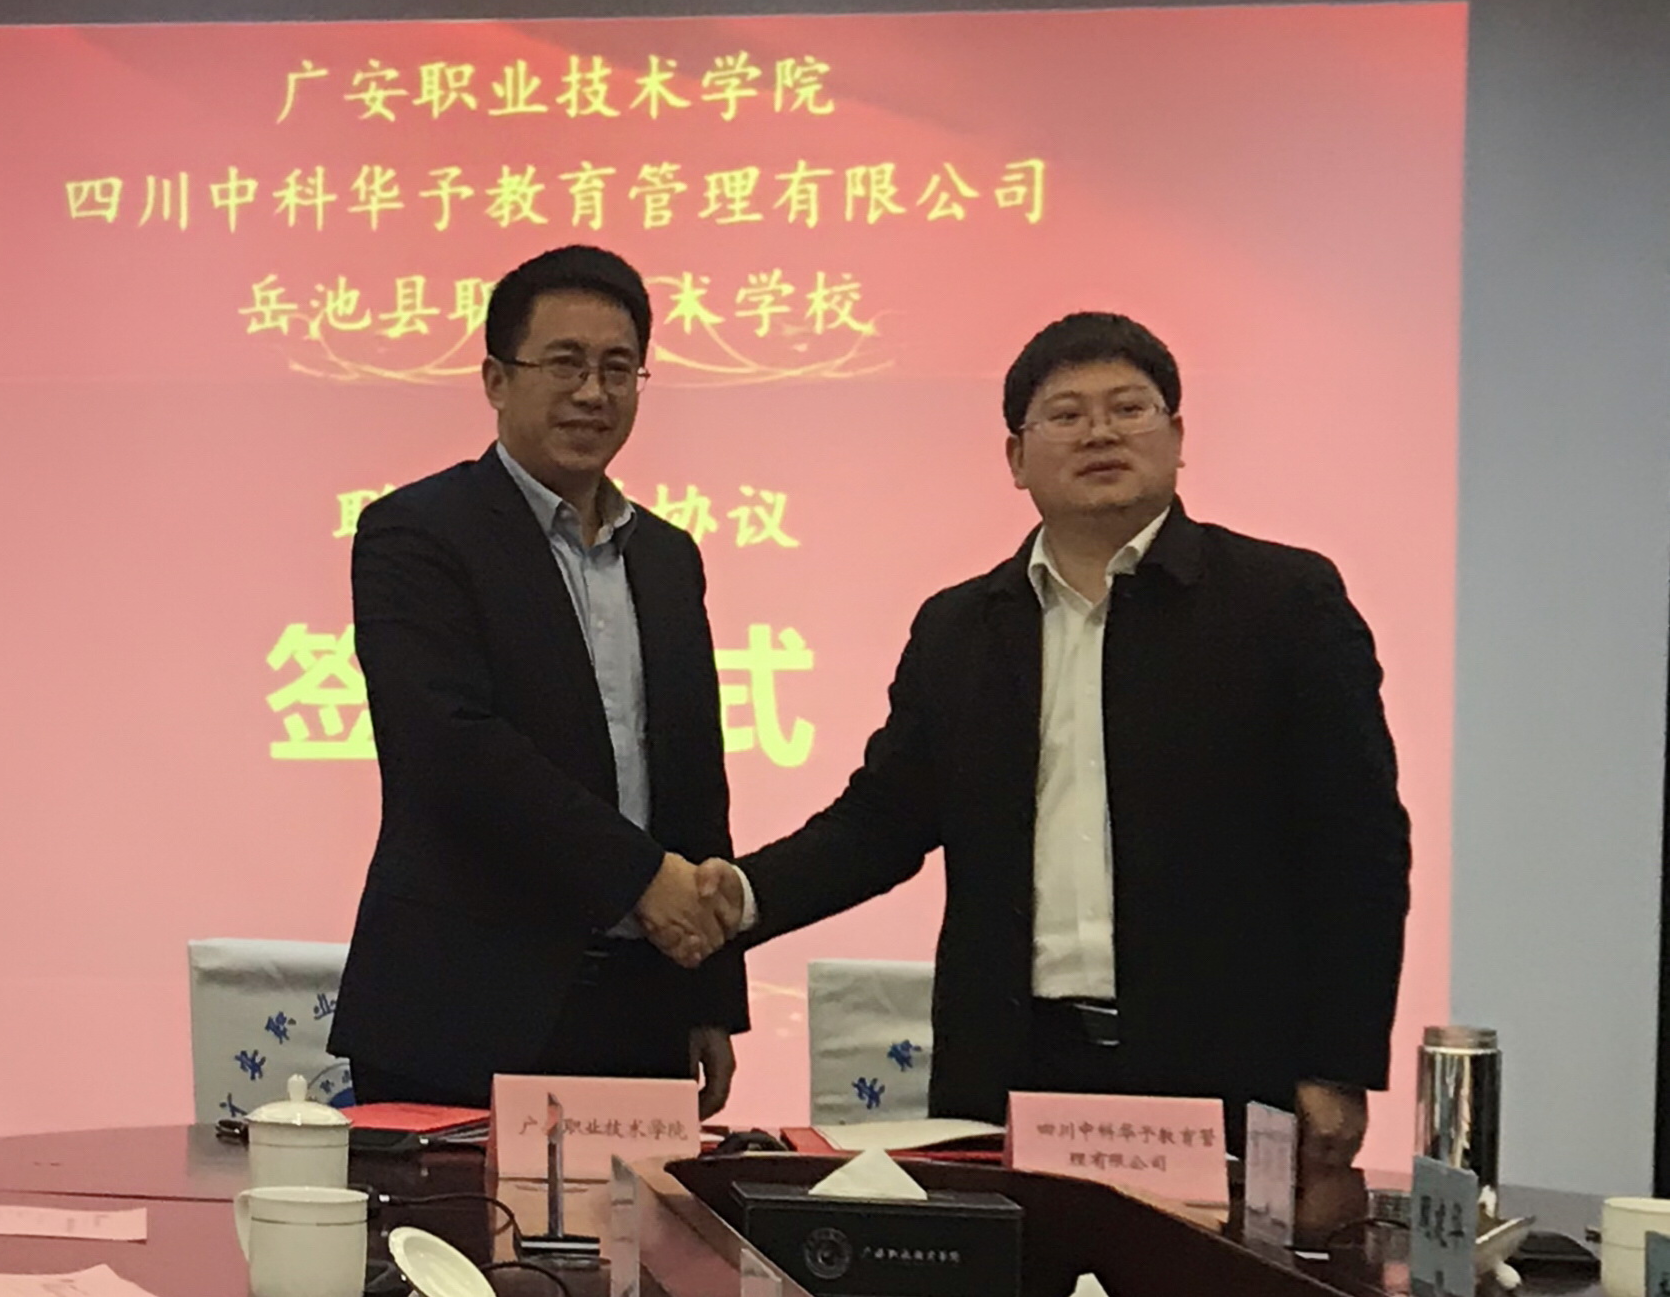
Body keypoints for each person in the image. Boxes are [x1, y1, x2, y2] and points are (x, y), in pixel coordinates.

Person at [697, 311, 1410, 1165]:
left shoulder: (1282, 602)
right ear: (1015, 457)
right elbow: (881, 822)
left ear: (1177, 437)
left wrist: (1337, 1062)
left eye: (1128, 409)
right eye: (1066, 415)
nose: (1099, 433)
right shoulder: (960, 627)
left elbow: (1357, 843)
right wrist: (737, 897)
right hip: (1012, 1067)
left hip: (1220, 1065)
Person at [329, 245, 747, 1117]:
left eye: (617, 368)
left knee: (641, 1215)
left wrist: (709, 996)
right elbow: (451, 749)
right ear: (496, 379)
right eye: (564, 363)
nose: (592, 393)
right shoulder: (416, 533)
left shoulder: (667, 557)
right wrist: (641, 877)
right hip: (460, 1008)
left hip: (640, 1006)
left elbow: (691, 776)